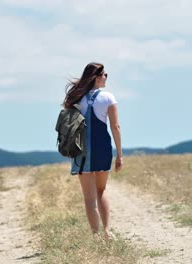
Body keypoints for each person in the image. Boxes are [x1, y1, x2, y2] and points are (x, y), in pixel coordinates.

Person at [63, 62, 123, 240]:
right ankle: (106, 231)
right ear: (97, 77)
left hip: (80, 151)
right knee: (101, 190)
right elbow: (115, 126)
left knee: (89, 197)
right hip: (102, 149)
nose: (106, 78)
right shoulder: (108, 98)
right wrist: (119, 154)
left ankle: (96, 235)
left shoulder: (75, 97)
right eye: (105, 75)